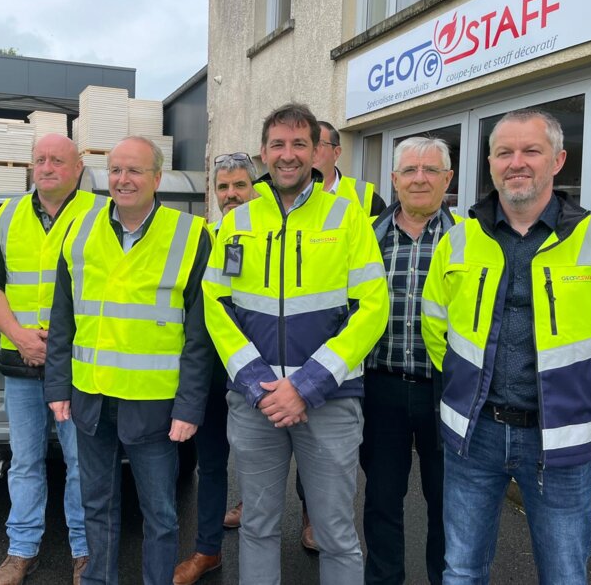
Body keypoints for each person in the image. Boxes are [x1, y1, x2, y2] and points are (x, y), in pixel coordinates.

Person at [421, 109, 591, 584]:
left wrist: (584, 403)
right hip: (474, 437)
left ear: (558, 161)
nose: (517, 162)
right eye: (504, 152)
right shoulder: (457, 241)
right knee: (461, 571)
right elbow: (436, 329)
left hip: (558, 440)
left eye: (530, 151)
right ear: (491, 164)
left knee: (564, 575)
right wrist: (464, 386)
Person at [203, 103, 389, 584]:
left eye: (299, 144)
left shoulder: (348, 219)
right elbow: (215, 304)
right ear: (264, 153)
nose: (288, 155)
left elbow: (373, 307)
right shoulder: (236, 222)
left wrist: (306, 385)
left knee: (336, 533)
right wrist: (258, 382)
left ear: (317, 151)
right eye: (278, 145)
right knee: (258, 528)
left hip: (329, 401)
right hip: (256, 401)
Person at [45, 136, 213, 585]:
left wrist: (189, 407)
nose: (124, 180)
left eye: (135, 170)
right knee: (96, 504)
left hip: (155, 404)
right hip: (91, 398)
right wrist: (57, 387)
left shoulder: (191, 234)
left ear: (157, 178)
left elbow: (200, 334)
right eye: (116, 170)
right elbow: (62, 318)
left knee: (159, 513)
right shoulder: (79, 230)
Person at [0, 133, 102, 585]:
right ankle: (21, 551)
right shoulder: (8, 215)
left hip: (77, 365)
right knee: (26, 461)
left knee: (80, 463)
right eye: (40, 160)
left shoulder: (100, 213)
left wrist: (62, 345)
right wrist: (18, 336)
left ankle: (84, 551)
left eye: (57, 160)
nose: (46, 167)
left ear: (77, 168)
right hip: (21, 363)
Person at [359, 137, 458, 585]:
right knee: (381, 500)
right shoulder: (367, 237)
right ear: (394, 180)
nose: (421, 178)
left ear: (448, 180)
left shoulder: (469, 241)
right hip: (381, 388)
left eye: (431, 170)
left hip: (448, 391)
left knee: (447, 503)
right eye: (411, 170)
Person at [173, 152, 257, 585]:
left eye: (239, 185)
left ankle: (263, 554)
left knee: (261, 465)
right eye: (223, 188)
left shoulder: (269, 234)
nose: (230, 195)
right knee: (211, 463)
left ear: (254, 187)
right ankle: (208, 551)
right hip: (211, 374)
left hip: (259, 373)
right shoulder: (204, 236)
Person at [315, 121, 386, 216]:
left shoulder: (365, 198)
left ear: (336, 153)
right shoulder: (291, 194)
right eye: (304, 145)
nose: (311, 150)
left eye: (318, 144)